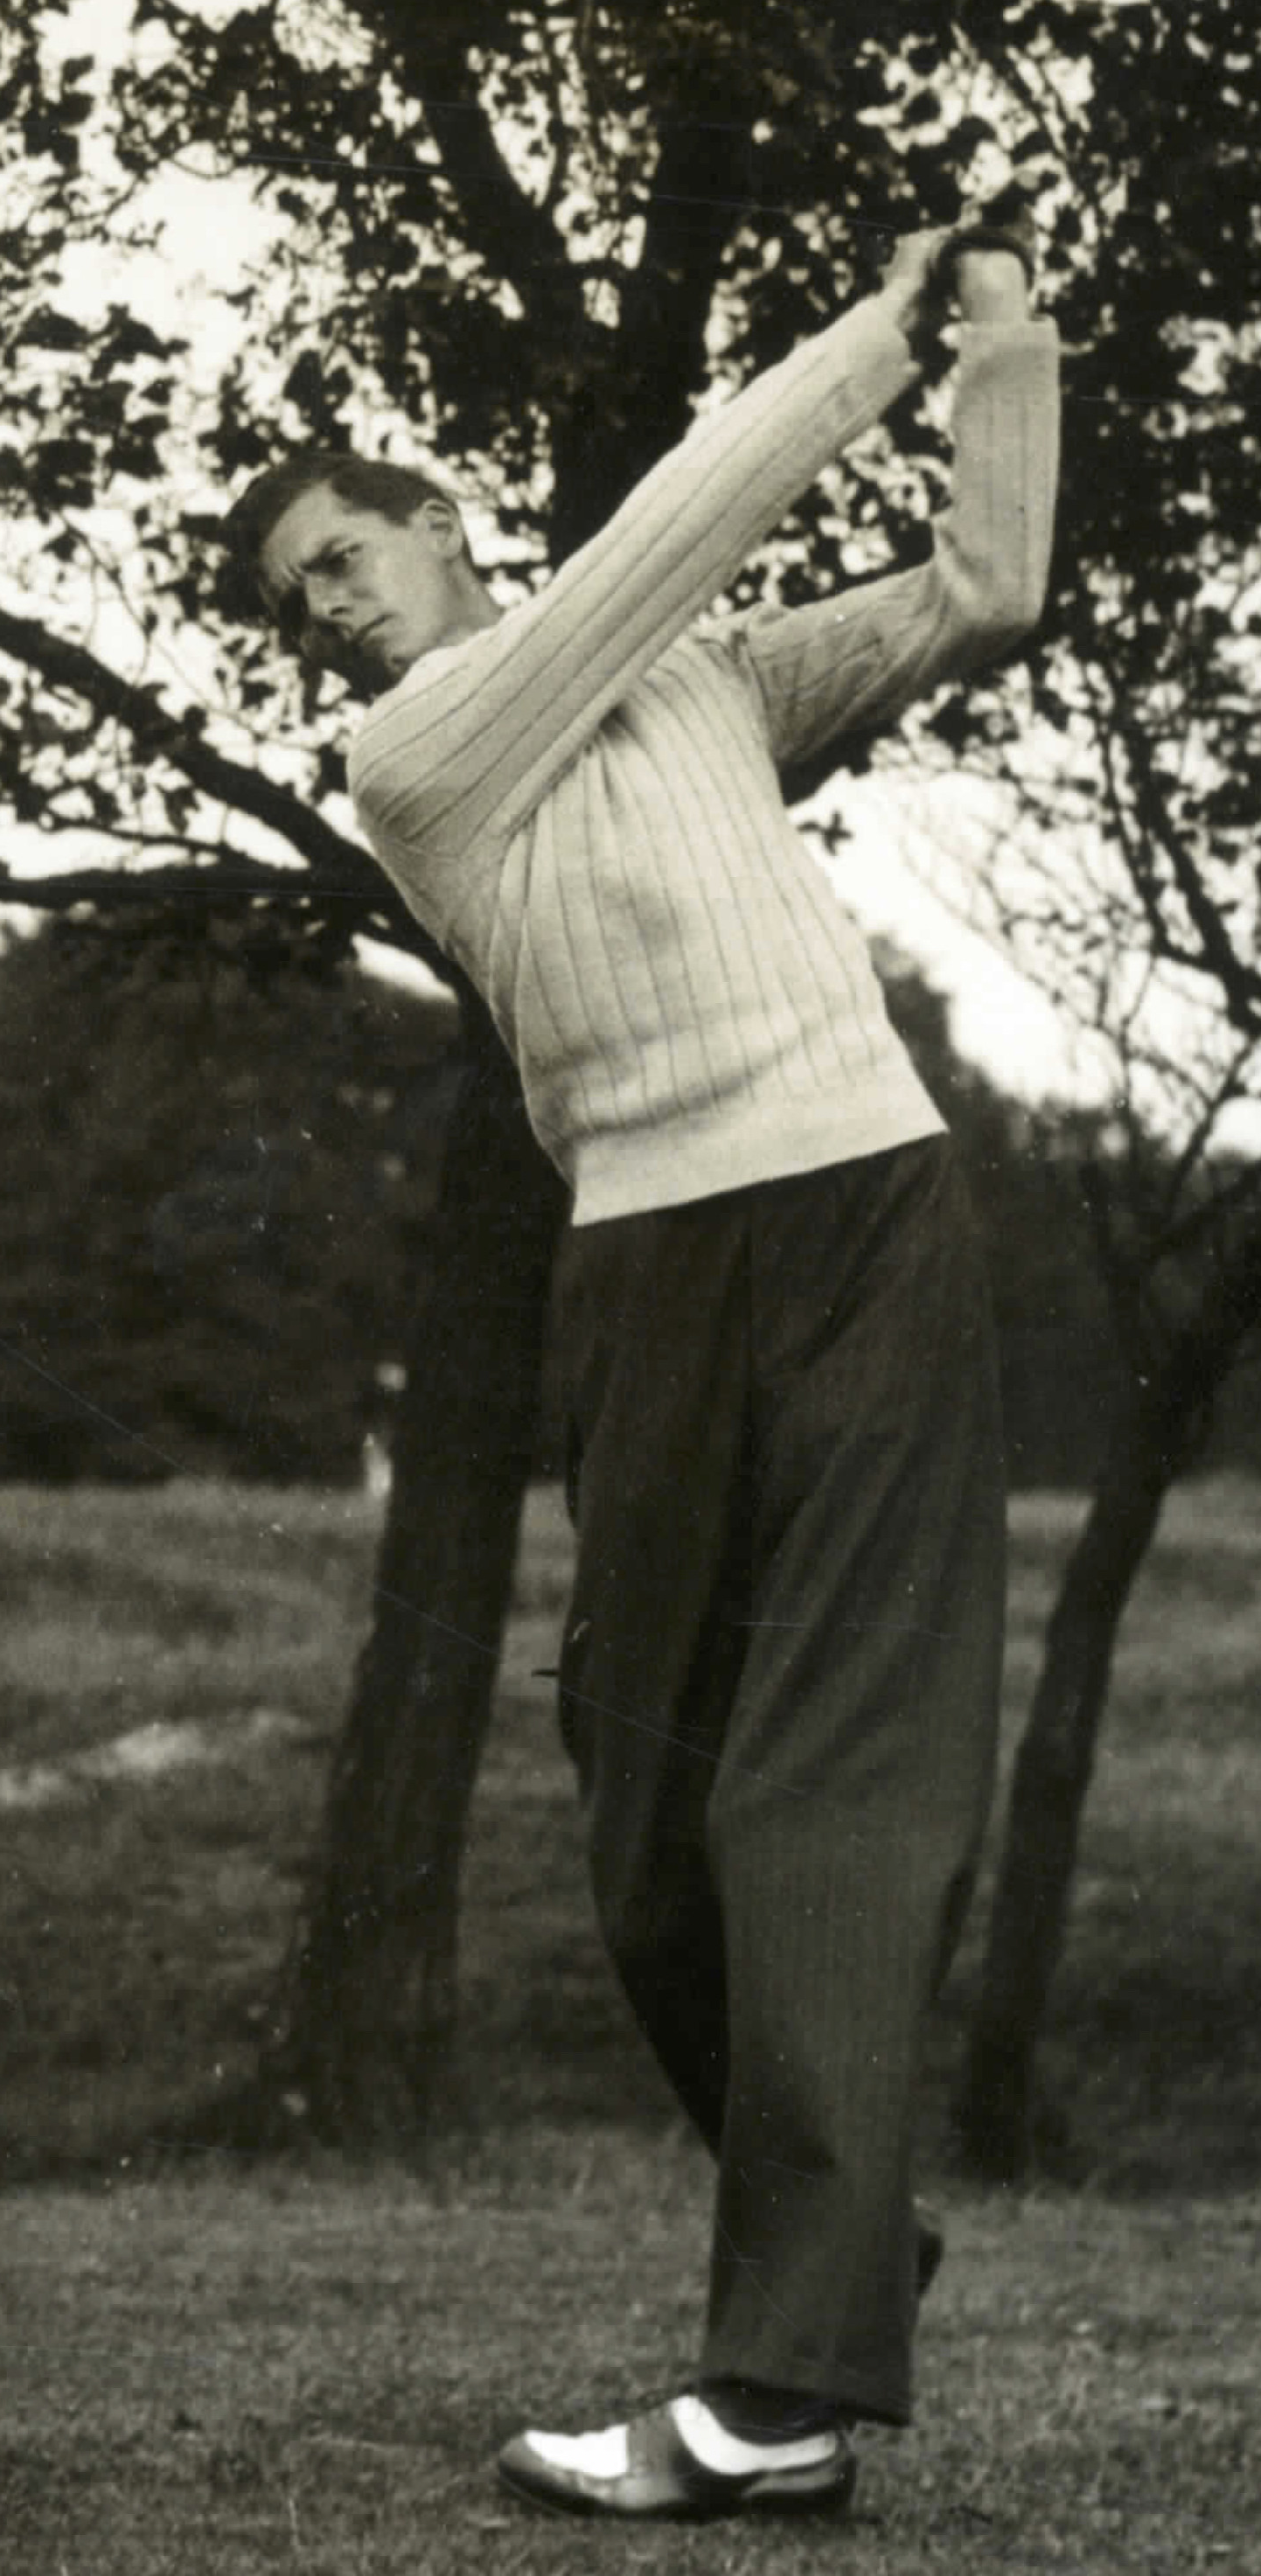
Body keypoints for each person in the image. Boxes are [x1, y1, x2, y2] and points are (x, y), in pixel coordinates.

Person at [229, 225, 1054, 2526]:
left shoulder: (699, 683)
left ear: (438, 527)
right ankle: (838, 2234)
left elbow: (980, 597)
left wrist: (1005, 344)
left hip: (868, 1206)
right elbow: (681, 518)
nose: (329, 610)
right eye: (293, 600)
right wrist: (874, 333)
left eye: (345, 557)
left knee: (830, 1789)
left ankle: (780, 2390)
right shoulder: (421, 753)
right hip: (652, 1266)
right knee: (648, 1821)